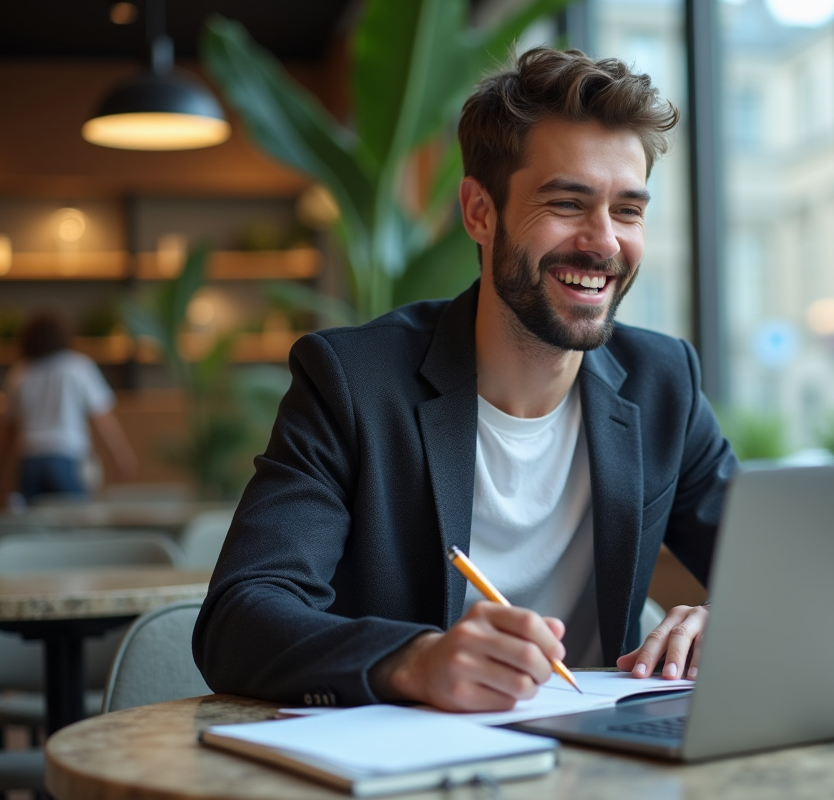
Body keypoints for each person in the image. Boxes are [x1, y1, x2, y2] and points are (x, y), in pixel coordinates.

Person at [193, 47, 738, 713]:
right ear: (479, 212)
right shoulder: (354, 384)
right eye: (568, 203)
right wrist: (412, 661)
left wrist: (735, 622)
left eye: (628, 211)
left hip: (609, 765)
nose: (604, 243)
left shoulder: (664, 384)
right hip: (411, 768)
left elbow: (790, 575)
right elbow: (240, 618)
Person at [0, 311, 136, 505]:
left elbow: (8, 430)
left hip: (30, 459)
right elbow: (101, 417)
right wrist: (121, 456)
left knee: (34, 527)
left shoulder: (19, 373)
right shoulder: (78, 366)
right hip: (67, 455)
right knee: (75, 525)